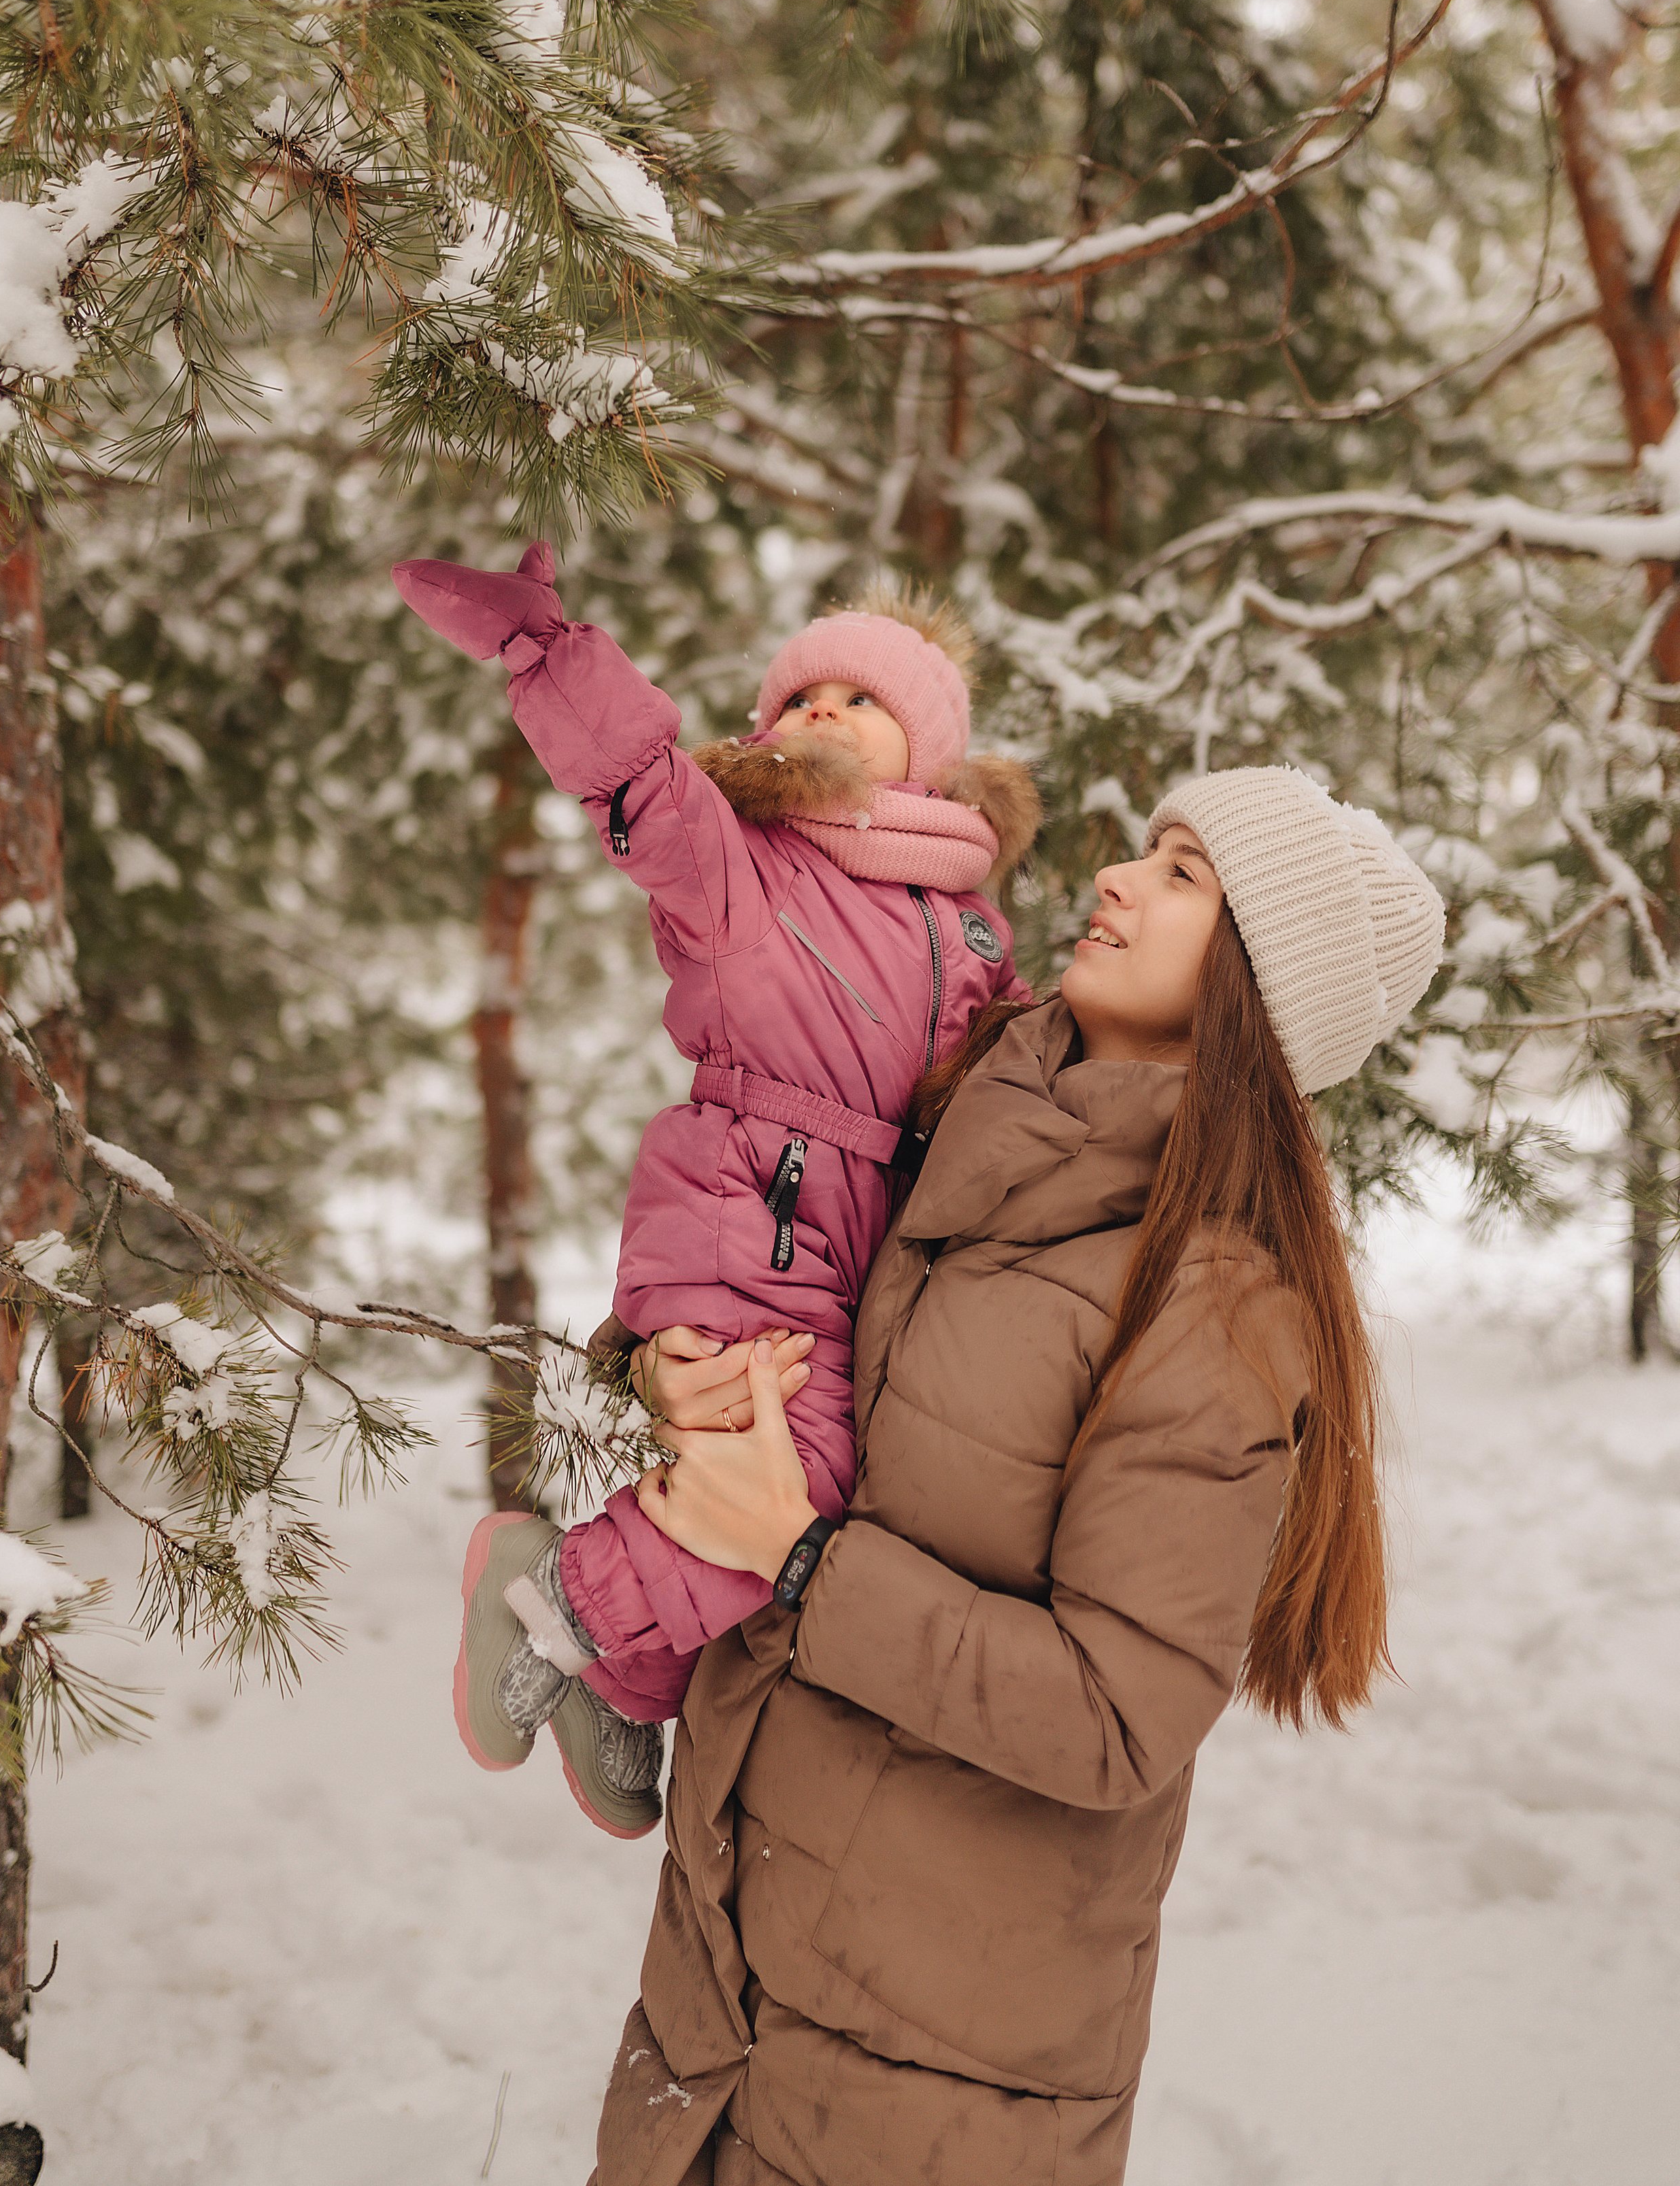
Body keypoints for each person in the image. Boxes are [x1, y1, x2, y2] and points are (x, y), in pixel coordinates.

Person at [582, 762, 1446, 2185]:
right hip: (722, 1975)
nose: (1113, 876)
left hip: (936, 2066)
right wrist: (664, 1363)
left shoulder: (1215, 1305)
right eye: (1142, 851)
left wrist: (803, 1562)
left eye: (1181, 875)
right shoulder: (949, 1126)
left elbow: (1116, 1710)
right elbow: (768, 1309)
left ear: (1255, 988)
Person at [390, 542, 1040, 1834]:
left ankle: (627, 1688)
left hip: (851, 1235)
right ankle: (563, 1600)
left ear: (930, 749)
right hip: (756, 1194)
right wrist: (551, 656)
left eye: (860, 699)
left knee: (812, 1488)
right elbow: (639, 780)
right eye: (800, 699)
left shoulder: (970, 927)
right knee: (802, 1476)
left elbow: (1015, 1072)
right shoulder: (743, 860)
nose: (819, 716)